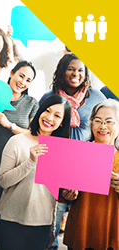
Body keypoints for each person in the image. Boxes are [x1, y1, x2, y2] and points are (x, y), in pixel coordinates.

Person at [40, 53, 106, 250]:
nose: (75, 73)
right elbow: (40, 129)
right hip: (56, 162)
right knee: (51, 220)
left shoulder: (96, 97)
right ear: (62, 71)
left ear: (85, 74)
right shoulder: (49, 97)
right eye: (71, 69)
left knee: (81, 224)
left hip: (86, 164)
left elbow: (106, 129)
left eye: (80, 70)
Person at [0, 95, 72, 250]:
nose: (49, 118)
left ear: (62, 122)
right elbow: (3, 181)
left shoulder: (63, 151)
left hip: (42, 225)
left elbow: (58, 195)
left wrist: (70, 194)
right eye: (47, 111)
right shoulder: (17, 141)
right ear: (40, 111)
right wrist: (30, 162)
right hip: (10, 222)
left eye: (57, 116)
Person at [0, 61, 39, 224]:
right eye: (21, 76)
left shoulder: (31, 103)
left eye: (28, 80)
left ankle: (2, 223)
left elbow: (33, 133)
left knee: (10, 191)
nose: (23, 82)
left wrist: (9, 125)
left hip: (18, 154)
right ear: (12, 72)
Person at [63, 99, 119, 250]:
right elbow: (61, 194)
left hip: (111, 232)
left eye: (109, 121)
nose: (103, 126)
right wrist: (66, 194)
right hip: (80, 229)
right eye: (98, 120)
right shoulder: (78, 153)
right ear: (91, 124)